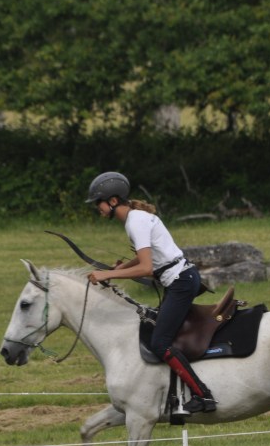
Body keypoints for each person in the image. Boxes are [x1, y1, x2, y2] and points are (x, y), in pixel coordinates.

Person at [85, 171, 217, 415]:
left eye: (98, 203)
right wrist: (119, 269)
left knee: (159, 342)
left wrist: (107, 275)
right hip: (180, 280)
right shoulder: (135, 219)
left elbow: (146, 268)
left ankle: (203, 395)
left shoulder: (135, 222)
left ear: (113, 201)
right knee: (159, 331)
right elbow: (146, 255)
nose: (97, 208)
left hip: (180, 282)